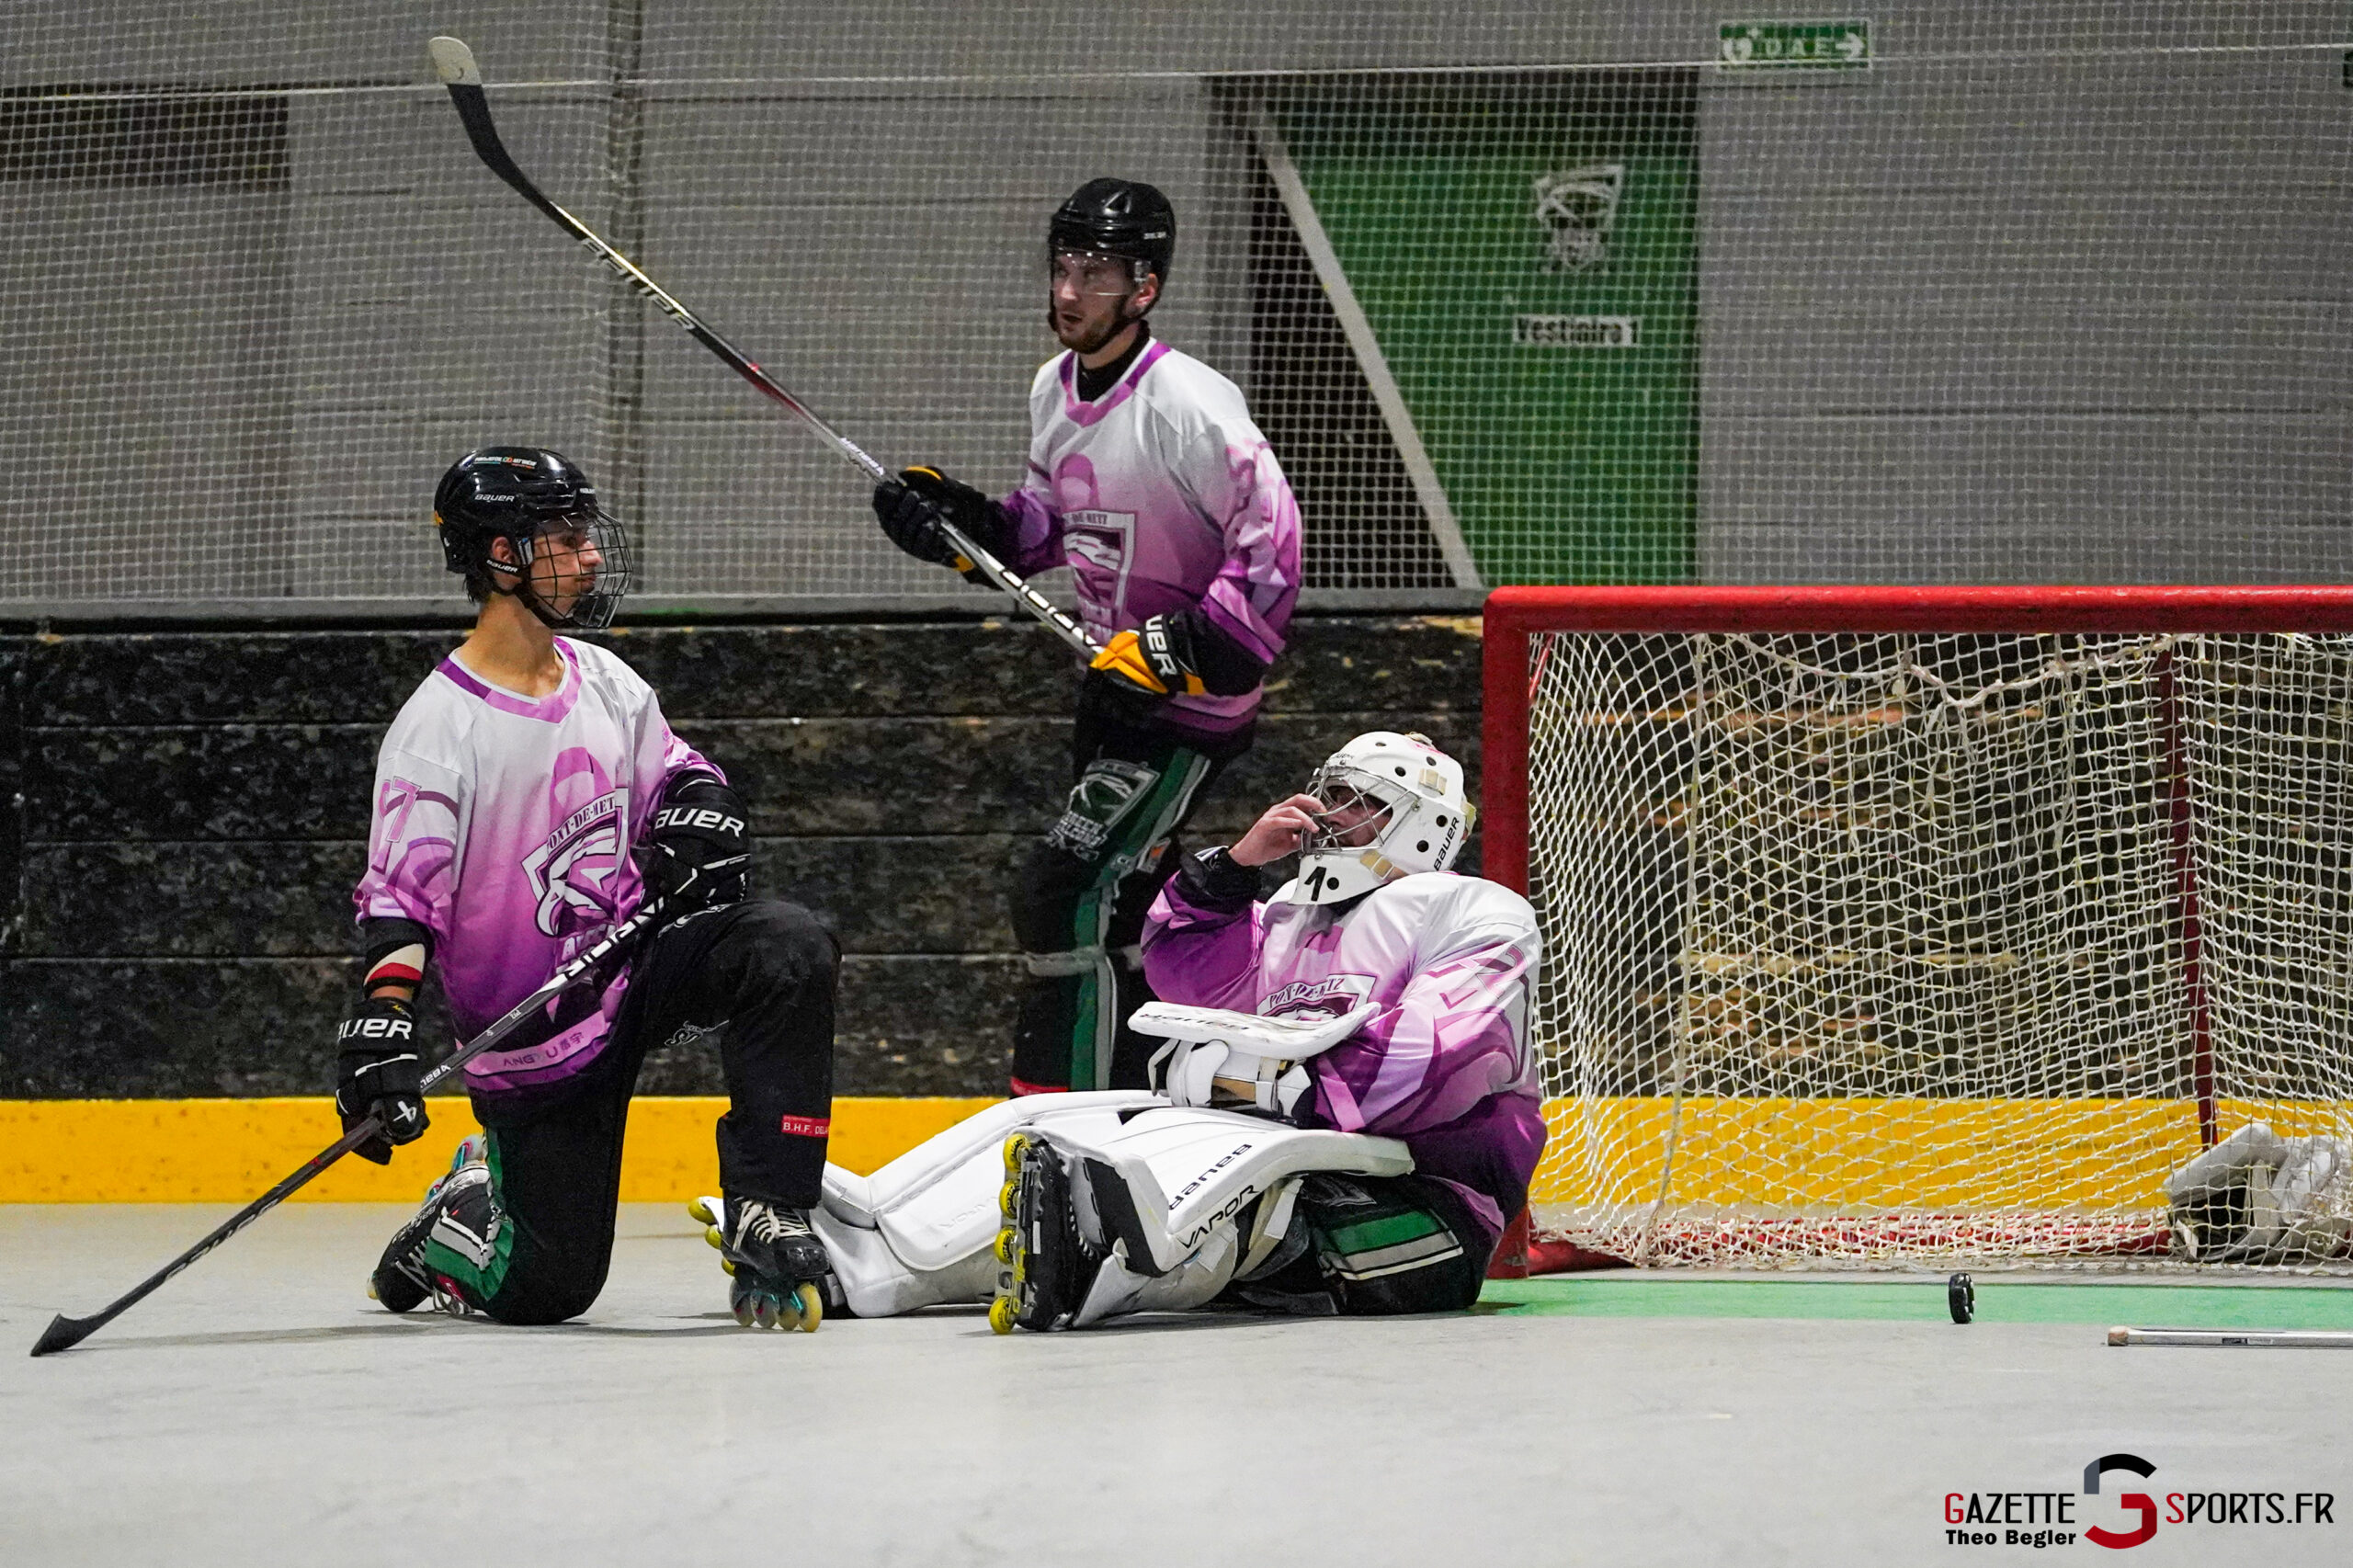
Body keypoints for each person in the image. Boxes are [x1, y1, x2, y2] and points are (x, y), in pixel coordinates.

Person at [771, 732, 1542, 1333]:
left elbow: (1437, 1058)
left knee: (1251, 1208)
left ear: (1420, 823)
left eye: (1352, 799)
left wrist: (1258, 1078)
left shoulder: (1475, 910)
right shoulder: (1285, 916)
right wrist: (1237, 867)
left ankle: (1095, 1261)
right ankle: (874, 1256)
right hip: (1279, 1149)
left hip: (1424, 1210)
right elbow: (1183, 969)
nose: (1321, 813)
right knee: (1057, 1126)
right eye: (1324, 792)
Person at [336, 447, 841, 1331]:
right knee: (547, 1292)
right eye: (566, 540)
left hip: (632, 972)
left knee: (785, 944)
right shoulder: (437, 730)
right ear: (501, 558)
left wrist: (702, 811)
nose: (592, 556)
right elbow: (401, 903)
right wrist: (381, 1031)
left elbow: (678, 771)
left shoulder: (604, 679)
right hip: (535, 1037)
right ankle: (457, 1216)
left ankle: (768, 1203)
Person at [869, 176, 1302, 1096]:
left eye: (1095, 273)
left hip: (1187, 713)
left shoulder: (1190, 404)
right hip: (1110, 692)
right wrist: (961, 523)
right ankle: (1151, 1097)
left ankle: (1062, 1114)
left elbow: (1274, 549)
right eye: (1063, 267)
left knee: (1063, 889)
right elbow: (1052, 525)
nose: (1068, 292)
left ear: (1144, 288)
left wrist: (1181, 644)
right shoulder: (1052, 389)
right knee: (1125, 908)